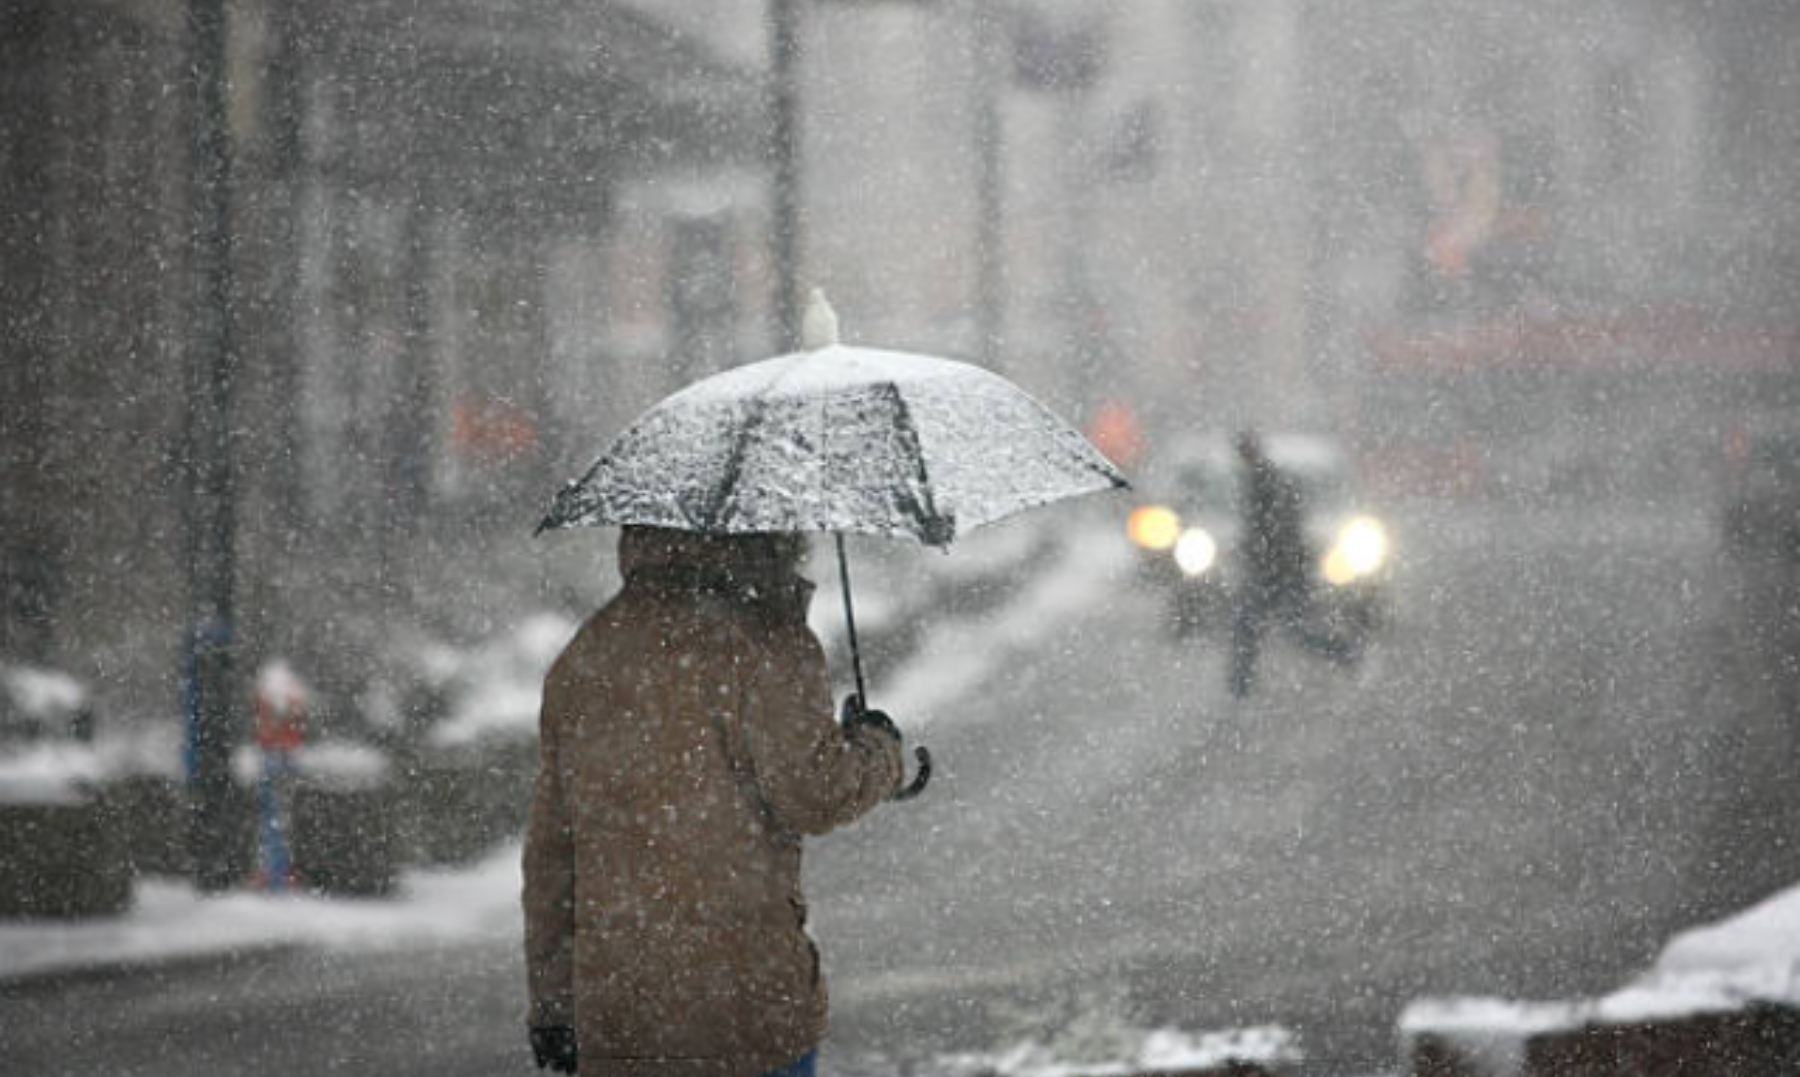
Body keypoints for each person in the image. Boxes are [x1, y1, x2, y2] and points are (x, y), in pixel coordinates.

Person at [522, 526, 905, 1077]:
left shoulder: (588, 653)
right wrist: (878, 751)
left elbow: (553, 857)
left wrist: (555, 1005)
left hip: (620, 1016)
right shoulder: (769, 643)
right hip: (745, 1009)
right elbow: (817, 794)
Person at [1229, 430, 1310, 698]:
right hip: (1277, 569)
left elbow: (1273, 529)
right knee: (1261, 627)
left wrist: (1261, 554)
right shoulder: (1264, 479)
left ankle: (1240, 687)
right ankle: (1240, 686)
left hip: (1276, 571)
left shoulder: (1264, 482)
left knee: (1257, 627)